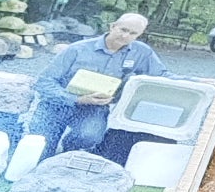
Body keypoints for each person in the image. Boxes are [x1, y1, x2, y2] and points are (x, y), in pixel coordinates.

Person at [26, 13, 165, 158]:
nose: (125, 36)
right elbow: (43, 81)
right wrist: (77, 99)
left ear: (139, 35)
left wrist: (189, 80)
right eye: (123, 30)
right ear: (112, 26)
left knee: (88, 136)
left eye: (133, 33)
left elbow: (161, 74)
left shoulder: (141, 52)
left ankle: (67, 152)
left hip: (94, 108)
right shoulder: (77, 49)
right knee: (39, 147)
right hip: (56, 104)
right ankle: (46, 151)